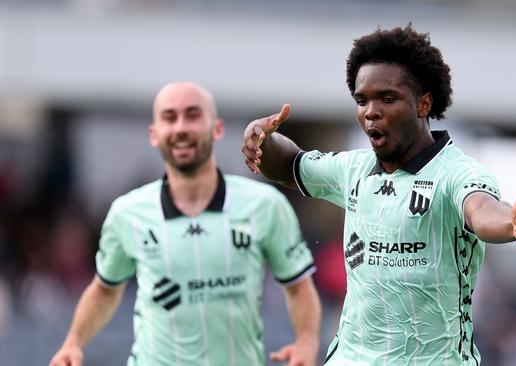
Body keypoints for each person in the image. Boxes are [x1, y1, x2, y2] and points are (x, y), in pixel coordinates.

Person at [241, 25, 516, 365]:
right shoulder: (353, 169)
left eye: (387, 99)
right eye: (362, 100)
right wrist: (262, 141)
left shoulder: (457, 173)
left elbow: (482, 210)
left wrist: (513, 221)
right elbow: (290, 163)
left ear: (423, 104)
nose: (371, 111)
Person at [50, 82, 321, 366]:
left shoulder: (265, 205)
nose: (180, 128)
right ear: (154, 135)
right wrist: (73, 343)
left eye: (192, 115)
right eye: (169, 117)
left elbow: (299, 286)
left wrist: (307, 341)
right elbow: (105, 288)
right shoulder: (126, 213)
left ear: (216, 128)